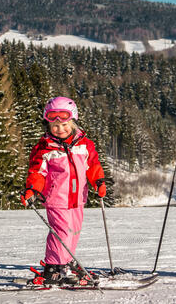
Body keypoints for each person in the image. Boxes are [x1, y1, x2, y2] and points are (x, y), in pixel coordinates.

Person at [21, 96, 107, 285]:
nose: (60, 129)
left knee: (74, 231)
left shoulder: (84, 145)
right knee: (61, 232)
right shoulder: (44, 149)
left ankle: (66, 262)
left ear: (73, 121)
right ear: (48, 126)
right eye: (55, 126)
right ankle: (54, 267)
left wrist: (98, 182)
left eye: (65, 124)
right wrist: (31, 190)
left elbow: (92, 165)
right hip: (56, 198)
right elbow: (37, 173)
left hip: (78, 198)